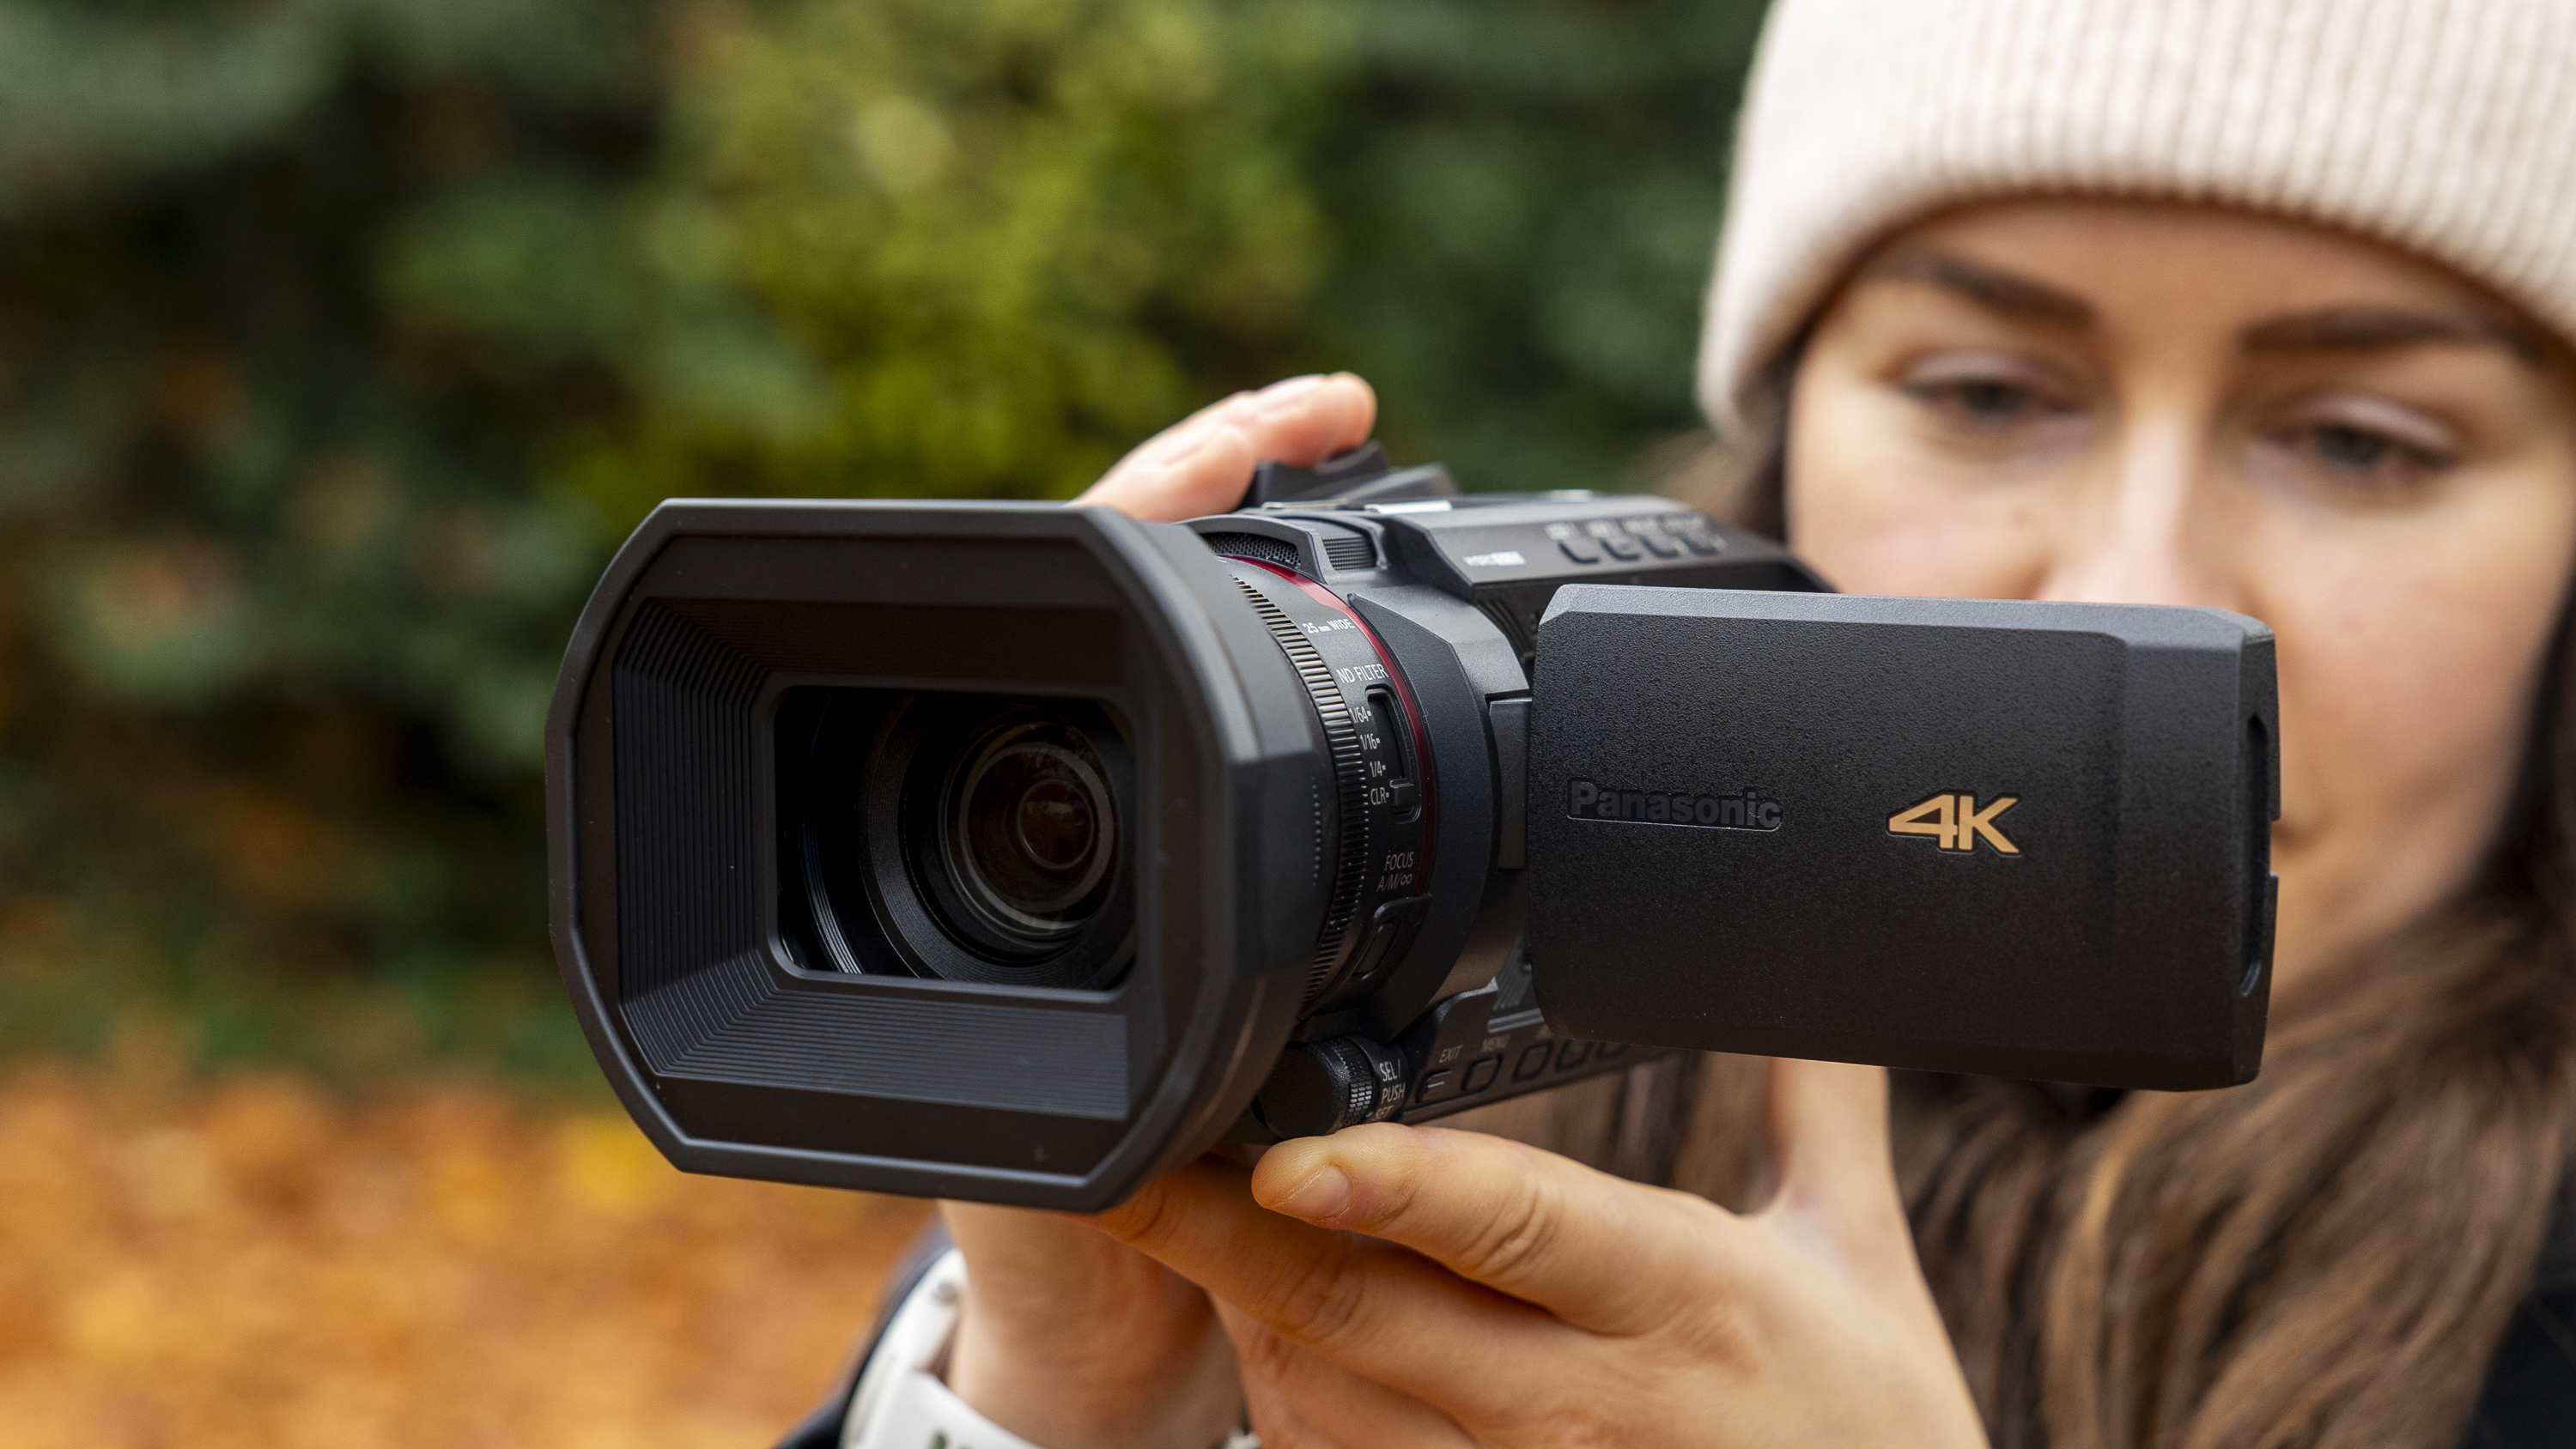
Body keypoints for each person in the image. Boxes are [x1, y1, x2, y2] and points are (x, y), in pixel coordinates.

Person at [810, 1, 2576, 1445]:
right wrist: (1059, 1409)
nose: (2129, 572)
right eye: (1985, 392)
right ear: (1779, 448)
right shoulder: (1342, 1066)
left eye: (2361, 439)